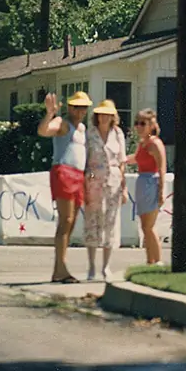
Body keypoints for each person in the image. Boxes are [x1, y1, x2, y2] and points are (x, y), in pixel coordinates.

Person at [38, 91, 92, 283]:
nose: (80, 111)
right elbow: (43, 131)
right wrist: (49, 113)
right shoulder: (62, 123)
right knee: (65, 220)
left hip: (78, 175)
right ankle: (61, 268)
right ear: (69, 107)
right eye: (76, 107)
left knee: (70, 223)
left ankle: (59, 269)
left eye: (84, 107)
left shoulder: (83, 128)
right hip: (64, 171)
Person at [83, 100, 128, 281]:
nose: (104, 117)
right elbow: (84, 160)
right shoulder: (90, 134)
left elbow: (122, 161)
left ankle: (106, 266)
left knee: (111, 223)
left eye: (107, 114)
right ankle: (92, 266)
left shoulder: (117, 134)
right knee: (92, 222)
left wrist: (123, 188)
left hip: (113, 182)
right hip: (93, 181)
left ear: (113, 117)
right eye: (101, 114)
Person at [128, 109, 166, 265]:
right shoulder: (143, 143)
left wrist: (161, 191)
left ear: (151, 125)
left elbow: (162, 168)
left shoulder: (155, 143)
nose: (139, 127)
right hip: (142, 181)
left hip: (151, 182)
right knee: (144, 226)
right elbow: (135, 159)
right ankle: (150, 260)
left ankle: (157, 261)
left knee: (149, 226)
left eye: (143, 123)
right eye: (137, 123)